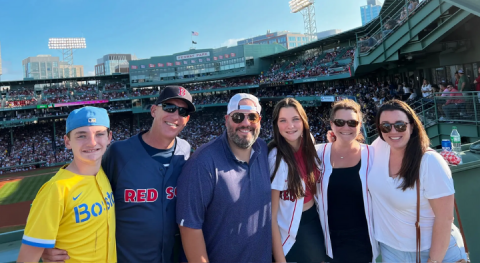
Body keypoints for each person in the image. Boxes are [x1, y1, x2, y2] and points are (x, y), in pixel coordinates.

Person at [41, 86, 195, 262]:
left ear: (187, 119)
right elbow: (79, 190)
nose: (175, 115)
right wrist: (47, 244)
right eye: (169, 107)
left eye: (182, 112)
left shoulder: (185, 150)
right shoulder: (118, 153)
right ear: (153, 110)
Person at [176, 93, 271, 263]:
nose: (245, 123)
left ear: (259, 120)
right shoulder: (202, 162)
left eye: (252, 117)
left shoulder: (264, 150)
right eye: (238, 117)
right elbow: (189, 228)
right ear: (227, 119)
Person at [369, 99, 467, 262]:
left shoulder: (430, 161)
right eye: (386, 126)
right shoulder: (378, 147)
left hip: (433, 251)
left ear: (412, 126)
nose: (393, 131)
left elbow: (445, 218)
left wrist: (433, 260)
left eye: (400, 125)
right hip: (391, 251)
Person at [18, 107, 116, 263]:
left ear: (109, 137)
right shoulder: (55, 189)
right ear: (67, 142)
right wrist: (43, 249)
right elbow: (26, 259)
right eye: (81, 135)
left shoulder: (103, 174)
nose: (92, 142)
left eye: (99, 134)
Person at [317, 99, 379, 263]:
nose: (346, 127)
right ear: (331, 124)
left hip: (364, 242)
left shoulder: (372, 154)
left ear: (359, 125)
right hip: (329, 244)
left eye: (352, 122)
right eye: (340, 122)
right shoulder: (318, 154)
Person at [268, 98, 327, 263]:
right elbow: (271, 217)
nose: (290, 125)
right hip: (294, 229)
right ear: (276, 125)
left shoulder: (310, 144)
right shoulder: (276, 159)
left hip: (316, 219)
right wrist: (280, 260)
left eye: (295, 119)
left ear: (303, 121)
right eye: (283, 120)